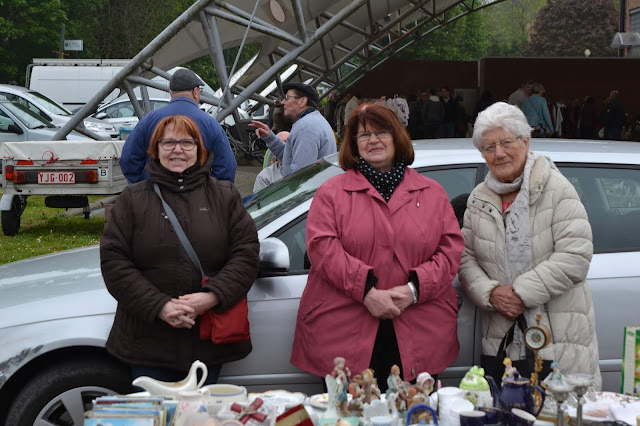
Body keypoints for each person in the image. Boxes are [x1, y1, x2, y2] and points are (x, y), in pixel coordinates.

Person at [290, 103, 464, 393]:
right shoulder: (331, 193)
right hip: (345, 329)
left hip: (418, 327)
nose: (373, 140)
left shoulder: (432, 193)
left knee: (412, 411)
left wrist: (413, 290)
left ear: (397, 137)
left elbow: (450, 251)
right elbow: (323, 248)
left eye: (382, 132)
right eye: (364, 135)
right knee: (350, 412)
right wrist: (367, 291)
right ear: (354, 144)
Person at [100, 115, 260, 385]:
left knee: (203, 410)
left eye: (187, 142)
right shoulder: (133, 199)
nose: (178, 150)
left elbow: (246, 254)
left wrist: (211, 297)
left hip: (207, 343)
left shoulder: (225, 196)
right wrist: (159, 305)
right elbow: (114, 262)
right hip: (148, 342)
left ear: (199, 149)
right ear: (156, 148)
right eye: (169, 142)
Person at [458, 102, 602, 390]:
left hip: (557, 337)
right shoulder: (478, 199)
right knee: (509, 406)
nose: (499, 153)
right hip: (501, 339)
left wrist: (520, 293)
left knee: (556, 407)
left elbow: (575, 256)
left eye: (506, 142)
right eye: (489, 147)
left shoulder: (556, 189)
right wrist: (491, 293)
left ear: (525, 141)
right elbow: (465, 258)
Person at [120, 69, 237, 184]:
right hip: (197, 193)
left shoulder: (148, 120)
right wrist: (212, 190)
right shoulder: (211, 124)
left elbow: (128, 159)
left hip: (155, 192)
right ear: (195, 92)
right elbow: (227, 165)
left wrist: (143, 186)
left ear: (171, 92)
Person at [249, 82, 336, 177]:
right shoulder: (312, 121)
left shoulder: (305, 128)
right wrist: (270, 137)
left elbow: (300, 176)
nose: (283, 102)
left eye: (287, 98)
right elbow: (290, 158)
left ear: (302, 101)